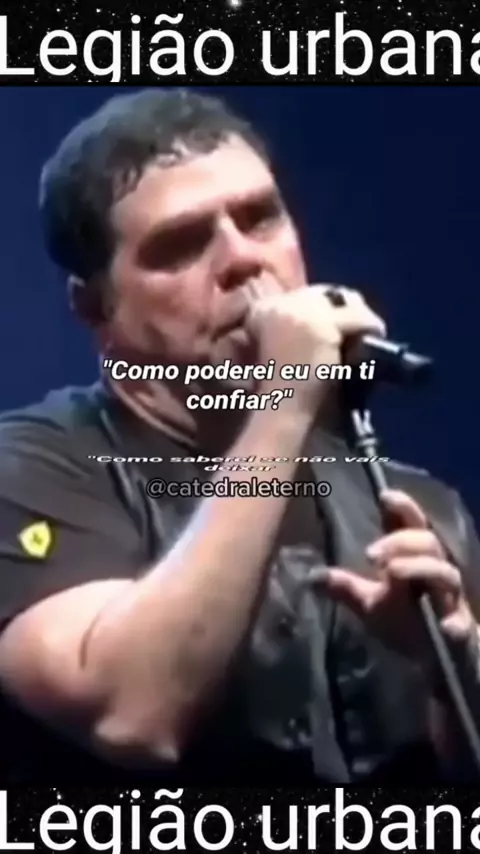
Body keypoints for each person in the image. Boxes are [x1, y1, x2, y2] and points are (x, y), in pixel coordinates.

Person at [0, 88, 479, 785]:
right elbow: (135, 717)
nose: (242, 259)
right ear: (94, 306)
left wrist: (453, 667)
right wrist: (288, 394)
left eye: (260, 218)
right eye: (181, 245)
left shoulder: (419, 507)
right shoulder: (31, 472)